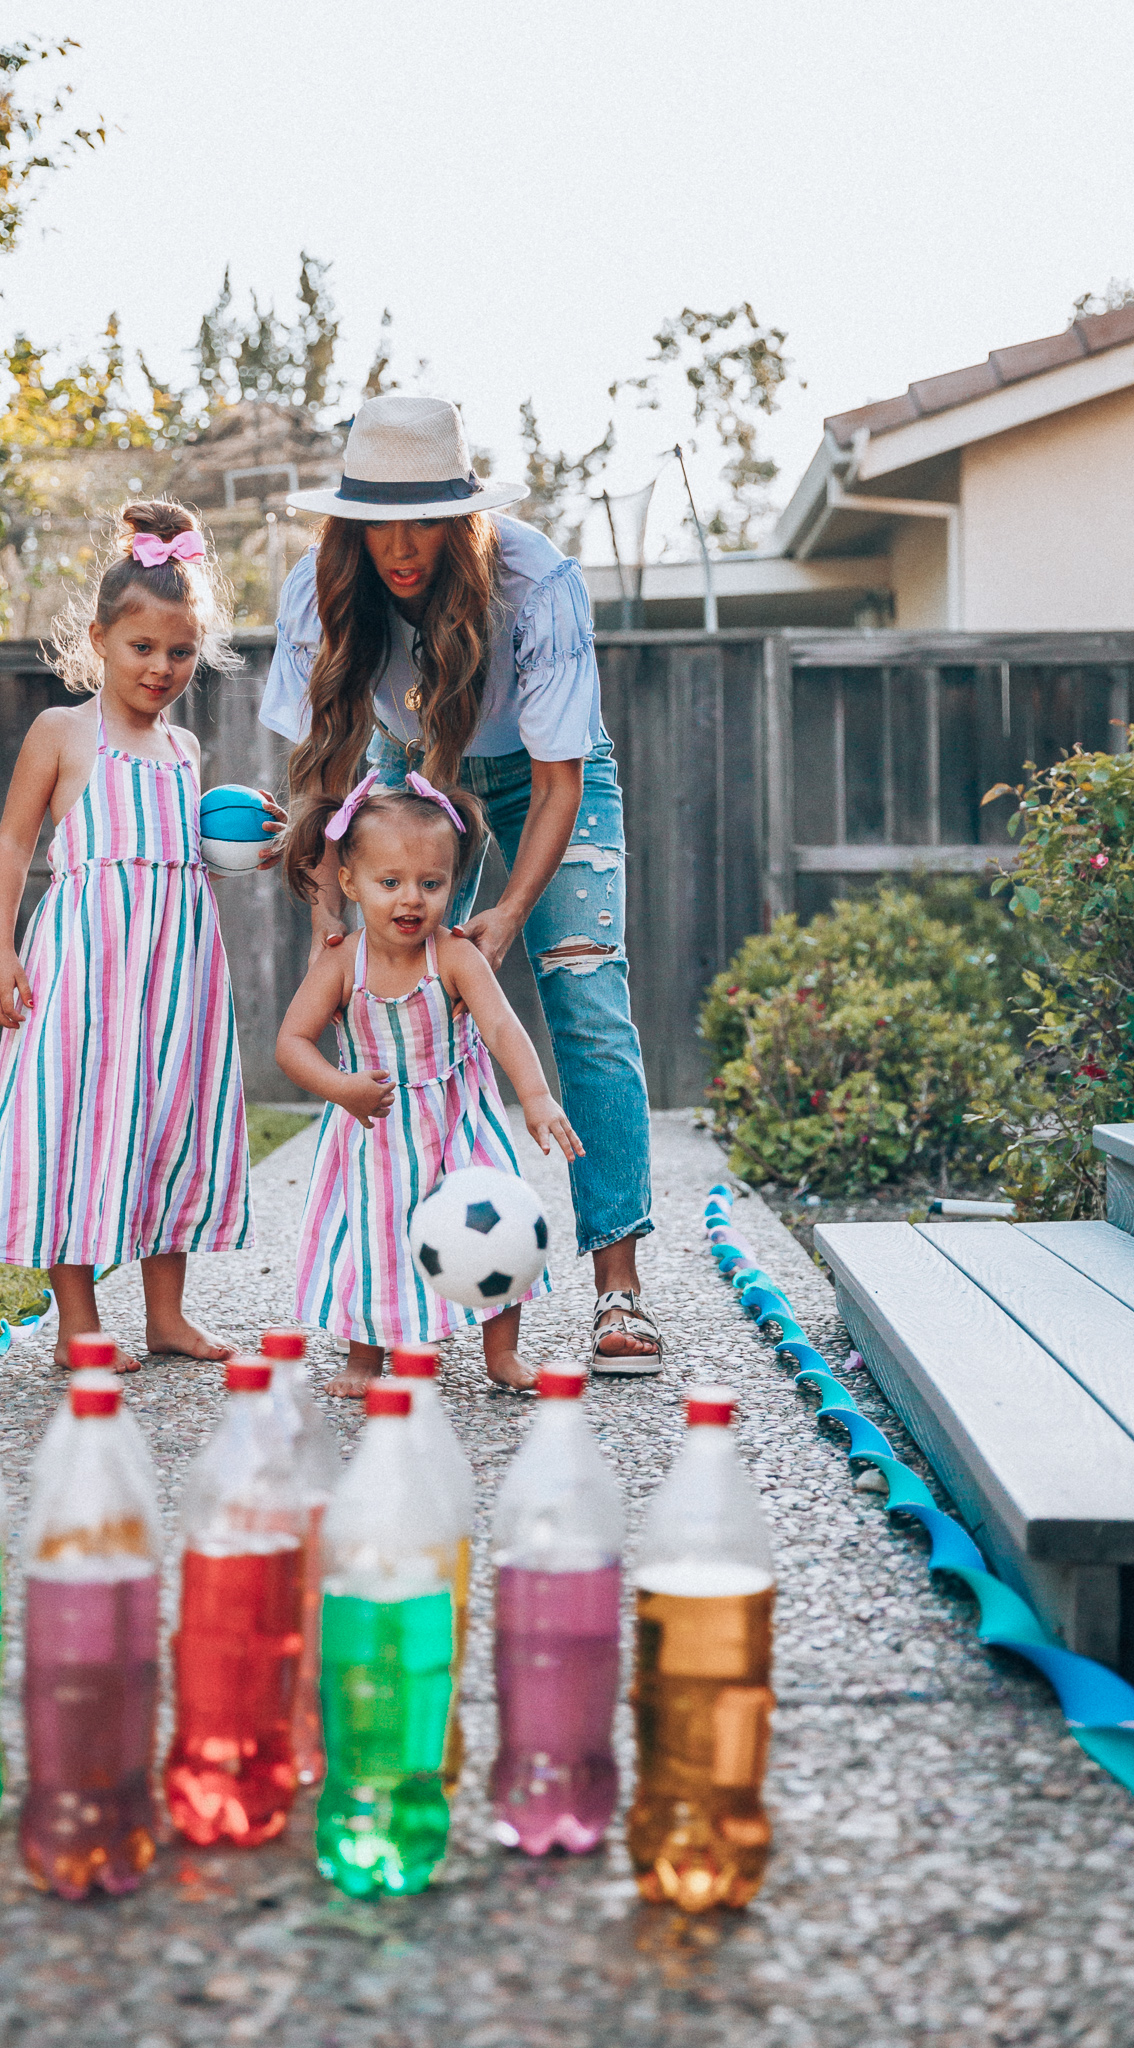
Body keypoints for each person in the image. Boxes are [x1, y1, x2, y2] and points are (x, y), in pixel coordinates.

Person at [262, 393, 662, 1373]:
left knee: (586, 997)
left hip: (546, 776)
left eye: (425, 518)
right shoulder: (317, 592)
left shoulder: (539, 582)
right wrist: (327, 906)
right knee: (386, 1008)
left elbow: (561, 774)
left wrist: (510, 912)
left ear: (463, 514)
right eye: (379, 521)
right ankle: (392, 1291)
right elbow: (320, 768)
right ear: (349, 518)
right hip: (412, 768)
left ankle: (619, 1289)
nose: (401, 545)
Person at [0, 502, 273, 1369]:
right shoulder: (63, 734)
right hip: (83, 977)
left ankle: (167, 1317)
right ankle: (77, 1324)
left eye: (180, 652)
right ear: (100, 638)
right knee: (75, 1125)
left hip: (177, 980)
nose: (162, 667)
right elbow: (14, 844)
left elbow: (189, 858)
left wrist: (259, 838)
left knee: (171, 1126)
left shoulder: (185, 753)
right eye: (143, 647)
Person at [276, 778, 580, 1394]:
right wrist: (341, 1087)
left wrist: (538, 1094)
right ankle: (365, 1358)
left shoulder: (454, 955)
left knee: (497, 1220)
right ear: (350, 883)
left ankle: (502, 1355)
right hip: (375, 1127)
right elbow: (291, 1043)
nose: (411, 899)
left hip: (460, 1116)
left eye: (431, 883)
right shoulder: (341, 962)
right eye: (390, 883)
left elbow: (500, 1024)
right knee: (373, 1235)